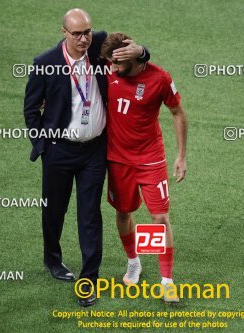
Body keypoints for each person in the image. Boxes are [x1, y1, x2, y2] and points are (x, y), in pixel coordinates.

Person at [23, 9, 150, 307]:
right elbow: (31, 110)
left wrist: (142, 50)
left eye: (87, 32)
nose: (84, 38)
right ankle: (53, 260)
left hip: (95, 151)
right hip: (59, 151)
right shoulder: (45, 63)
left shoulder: (99, 44)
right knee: (54, 211)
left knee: (90, 215)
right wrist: (43, 145)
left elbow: (137, 54)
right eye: (77, 34)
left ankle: (88, 281)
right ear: (64, 33)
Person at [100, 32, 188, 303]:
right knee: (124, 212)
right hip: (117, 160)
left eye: (116, 64)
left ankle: (166, 280)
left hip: (150, 159)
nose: (112, 69)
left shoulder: (159, 78)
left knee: (159, 217)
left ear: (132, 57)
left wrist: (181, 156)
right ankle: (134, 261)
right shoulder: (106, 69)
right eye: (110, 64)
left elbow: (177, 112)